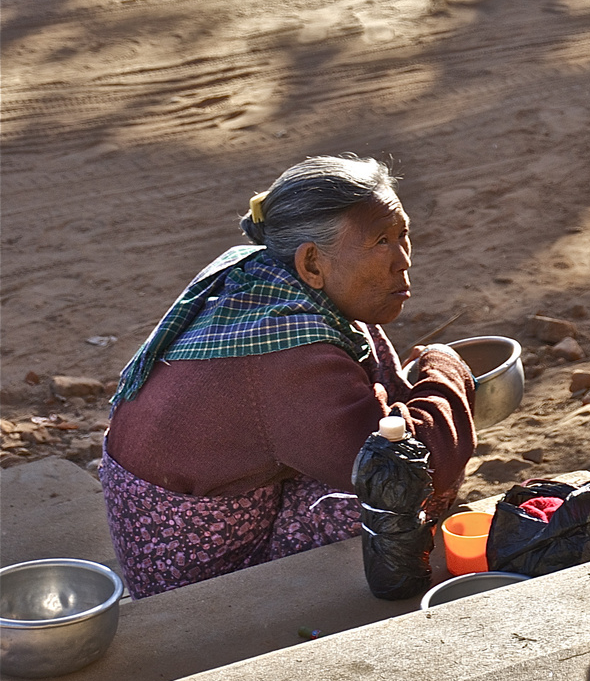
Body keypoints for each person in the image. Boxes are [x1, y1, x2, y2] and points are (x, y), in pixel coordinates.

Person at [102, 155, 476, 597]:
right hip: (200, 577)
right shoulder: (287, 353)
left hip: (215, 517)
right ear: (312, 264)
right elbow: (422, 460)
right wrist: (445, 370)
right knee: (405, 487)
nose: (402, 260)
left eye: (402, 235)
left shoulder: (263, 282)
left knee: (364, 333)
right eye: (380, 242)